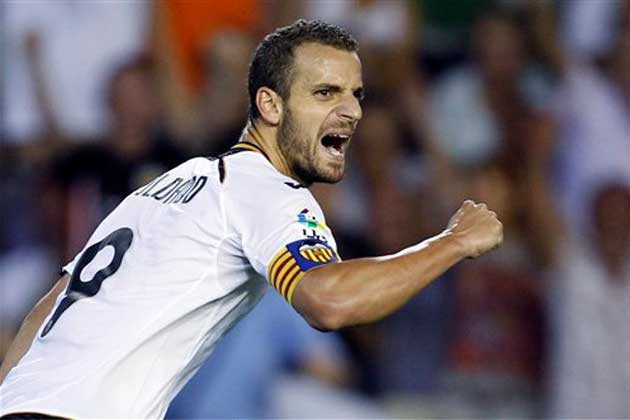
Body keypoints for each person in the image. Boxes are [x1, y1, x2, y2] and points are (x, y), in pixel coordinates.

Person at [0, 20, 503, 419]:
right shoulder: (266, 189)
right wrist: (453, 241)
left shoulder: (170, 182)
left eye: (356, 94)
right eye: (325, 93)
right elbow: (329, 301)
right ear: (270, 105)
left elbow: (47, 309)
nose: (351, 110)